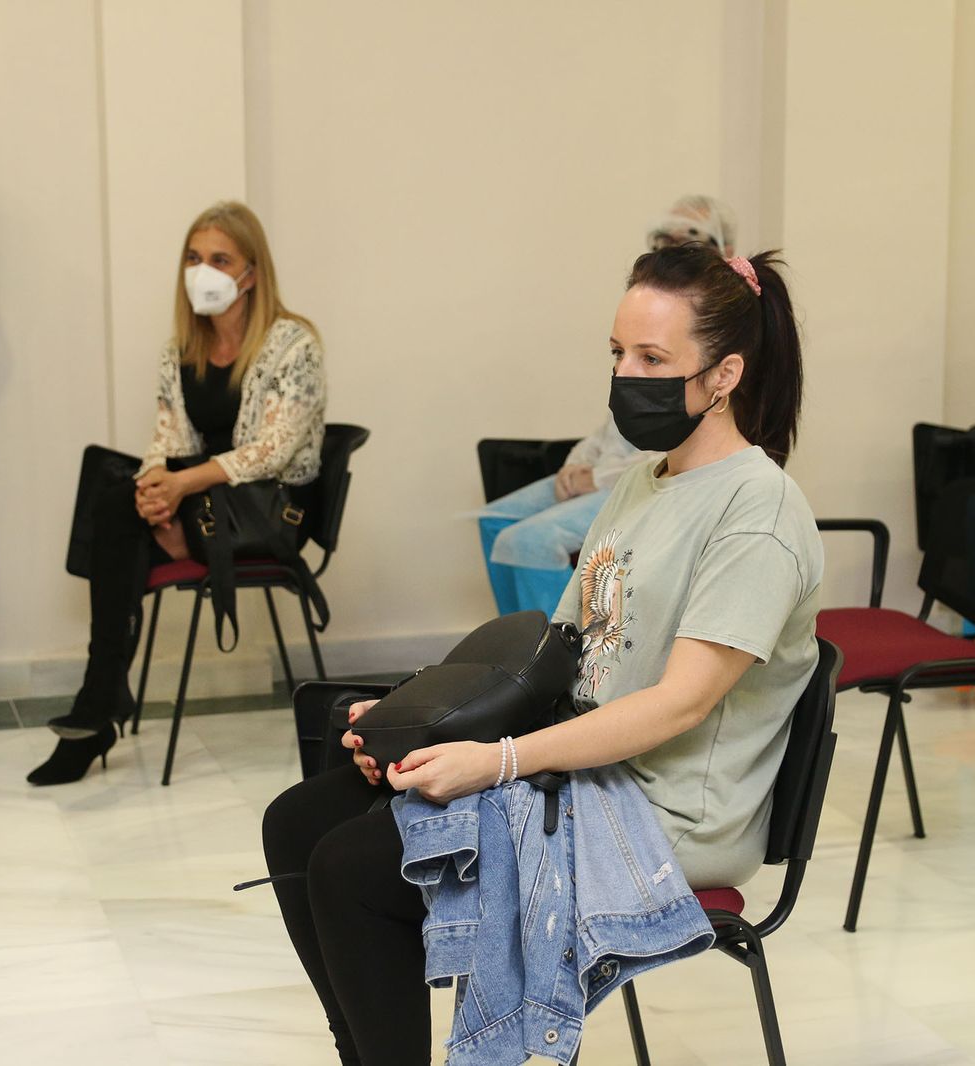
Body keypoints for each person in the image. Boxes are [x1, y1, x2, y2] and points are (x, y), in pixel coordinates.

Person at [263, 245, 822, 1065]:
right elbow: (550, 658)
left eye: (654, 359)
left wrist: (496, 762)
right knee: (298, 822)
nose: (627, 376)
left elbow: (681, 705)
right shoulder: (640, 485)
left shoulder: (758, 511)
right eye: (618, 354)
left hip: (664, 813)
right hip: (588, 770)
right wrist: (410, 721)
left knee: (353, 871)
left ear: (725, 373)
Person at [27, 201, 324, 786]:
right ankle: (102, 698)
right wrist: (156, 490)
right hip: (206, 507)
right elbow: (167, 442)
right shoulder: (180, 349)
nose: (202, 271)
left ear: (251, 272)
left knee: (115, 517)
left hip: (269, 511)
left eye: (219, 258)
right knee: (120, 497)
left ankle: (102, 701)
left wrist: (181, 484)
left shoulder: (293, 343)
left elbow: (276, 449)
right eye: (193, 258)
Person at [477, 194, 738, 617]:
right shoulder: (649, 315)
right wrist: (575, 465)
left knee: (529, 541)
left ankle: (551, 660)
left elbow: (677, 444)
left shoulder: (714, 334)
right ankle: (521, 650)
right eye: (619, 353)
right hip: (609, 471)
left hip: (649, 478)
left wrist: (595, 478)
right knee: (496, 520)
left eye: (687, 239)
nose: (673, 249)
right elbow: (612, 425)